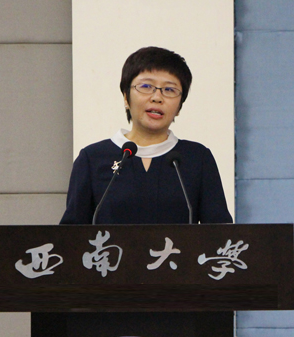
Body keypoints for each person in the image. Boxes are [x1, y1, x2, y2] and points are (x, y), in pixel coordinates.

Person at [60, 46, 232, 225]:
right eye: (146, 86)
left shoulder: (197, 158)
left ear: (179, 106)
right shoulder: (92, 158)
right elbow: (72, 233)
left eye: (169, 90)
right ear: (126, 97)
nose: (157, 97)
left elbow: (219, 232)